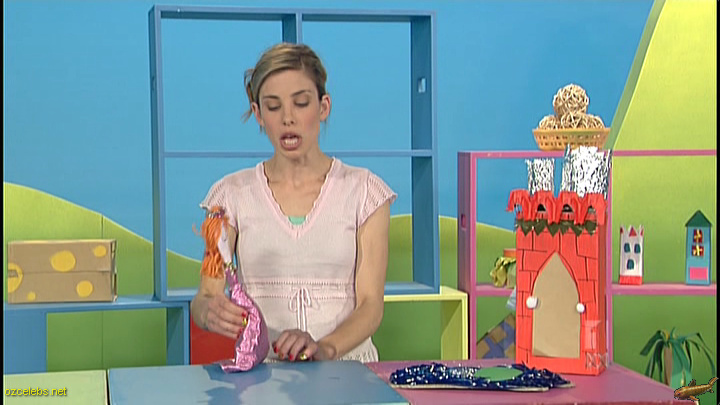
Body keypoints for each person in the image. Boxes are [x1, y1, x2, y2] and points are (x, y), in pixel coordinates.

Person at [190, 42, 397, 363]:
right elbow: (206, 295)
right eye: (273, 107)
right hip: (266, 375)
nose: (288, 118)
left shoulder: (366, 193)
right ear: (258, 114)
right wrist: (208, 311)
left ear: (323, 107)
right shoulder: (230, 197)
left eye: (301, 103)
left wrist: (324, 349)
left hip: (349, 372)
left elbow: (371, 305)